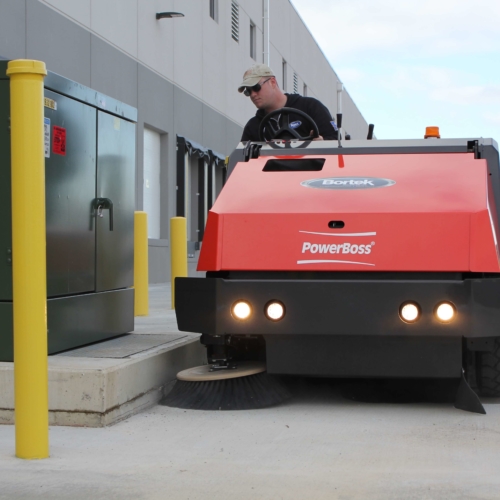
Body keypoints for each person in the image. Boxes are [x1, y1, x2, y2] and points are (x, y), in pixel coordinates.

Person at [238, 64, 338, 142]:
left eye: (256, 87)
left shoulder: (310, 107)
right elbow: (242, 160)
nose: (253, 94)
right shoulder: (253, 126)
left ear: (272, 82)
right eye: (248, 91)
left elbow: (336, 141)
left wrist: (322, 143)